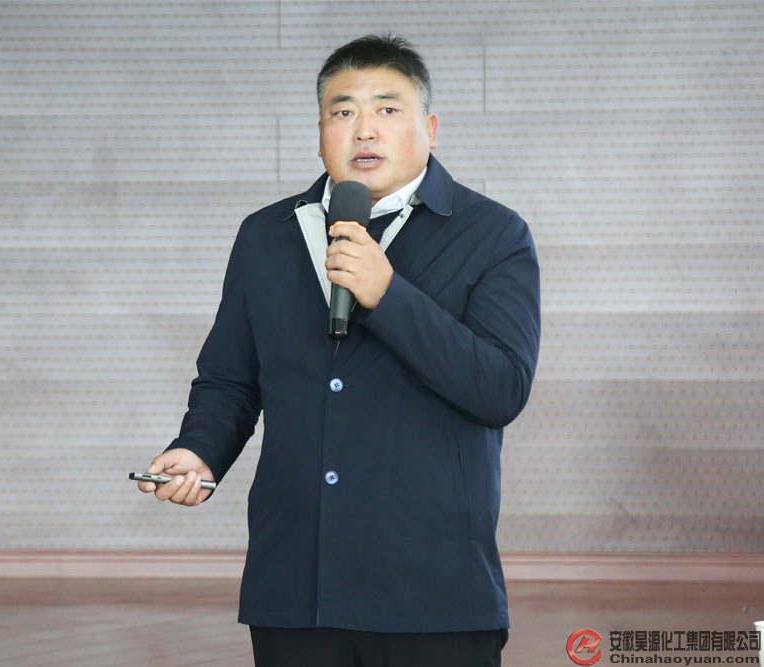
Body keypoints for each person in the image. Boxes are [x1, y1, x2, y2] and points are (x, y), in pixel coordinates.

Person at [136, 33, 541, 667]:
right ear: (321, 132)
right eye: (343, 110)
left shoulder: (493, 234)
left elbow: (500, 389)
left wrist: (389, 296)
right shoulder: (266, 235)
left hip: (434, 589)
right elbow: (229, 380)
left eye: (388, 109)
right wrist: (199, 449)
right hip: (295, 587)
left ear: (430, 128)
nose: (364, 130)